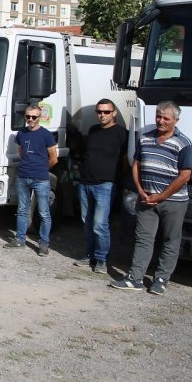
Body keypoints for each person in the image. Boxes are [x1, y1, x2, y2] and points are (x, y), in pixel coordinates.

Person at [110, 101, 192, 295]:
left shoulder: (184, 143)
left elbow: (185, 175)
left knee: (170, 240)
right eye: (158, 116)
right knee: (143, 239)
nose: (160, 121)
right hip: (146, 199)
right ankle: (135, 278)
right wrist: (140, 190)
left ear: (176, 120)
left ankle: (161, 279)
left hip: (173, 202)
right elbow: (136, 164)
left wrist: (161, 196)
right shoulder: (145, 139)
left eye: (166, 118)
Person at [73, 99, 128, 273]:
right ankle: (89, 255)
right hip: (85, 183)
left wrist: (119, 180)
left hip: (105, 185)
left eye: (106, 112)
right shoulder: (93, 130)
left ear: (114, 113)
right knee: (86, 222)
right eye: (99, 112)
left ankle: (101, 260)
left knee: (100, 224)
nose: (102, 115)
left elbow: (126, 160)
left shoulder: (122, 134)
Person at [4, 103, 57, 255]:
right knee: (21, 210)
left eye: (34, 117)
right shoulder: (21, 134)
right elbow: (21, 153)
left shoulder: (46, 135)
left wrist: (42, 169)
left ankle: (43, 244)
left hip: (40, 178)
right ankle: (20, 240)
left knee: (44, 212)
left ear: (40, 117)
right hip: (23, 177)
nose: (31, 120)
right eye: (28, 117)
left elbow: (53, 158)